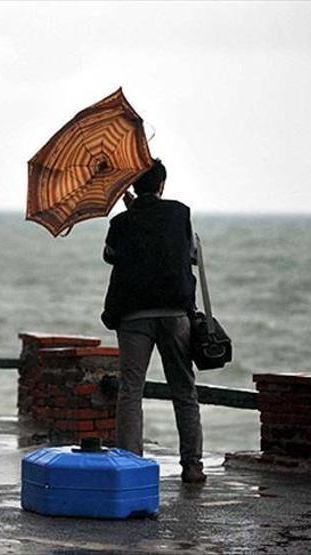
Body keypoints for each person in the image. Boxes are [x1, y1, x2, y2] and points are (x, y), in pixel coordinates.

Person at [101, 159, 206, 484]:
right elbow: (190, 255)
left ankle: (130, 464)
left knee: (130, 391)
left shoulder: (121, 222)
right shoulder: (179, 213)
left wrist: (132, 214)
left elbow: (110, 255)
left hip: (133, 316)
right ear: (161, 185)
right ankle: (192, 466)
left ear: (133, 186)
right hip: (175, 314)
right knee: (184, 390)